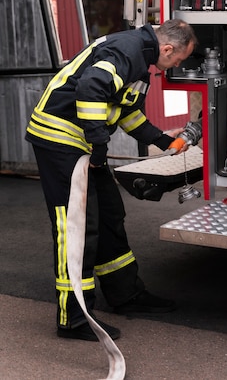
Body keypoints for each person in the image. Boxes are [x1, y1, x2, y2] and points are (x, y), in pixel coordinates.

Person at [25, 19, 197, 341]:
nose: (176, 66)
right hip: (60, 141)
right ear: (168, 48)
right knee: (75, 226)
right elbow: (91, 86)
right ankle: (74, 318)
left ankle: (125, 295)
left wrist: (163, 141)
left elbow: (126, 113)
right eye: (179, 60)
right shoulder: (127, 50)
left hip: (82, 144)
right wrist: (99, 144)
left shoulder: (140, 61)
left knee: (108, 216)